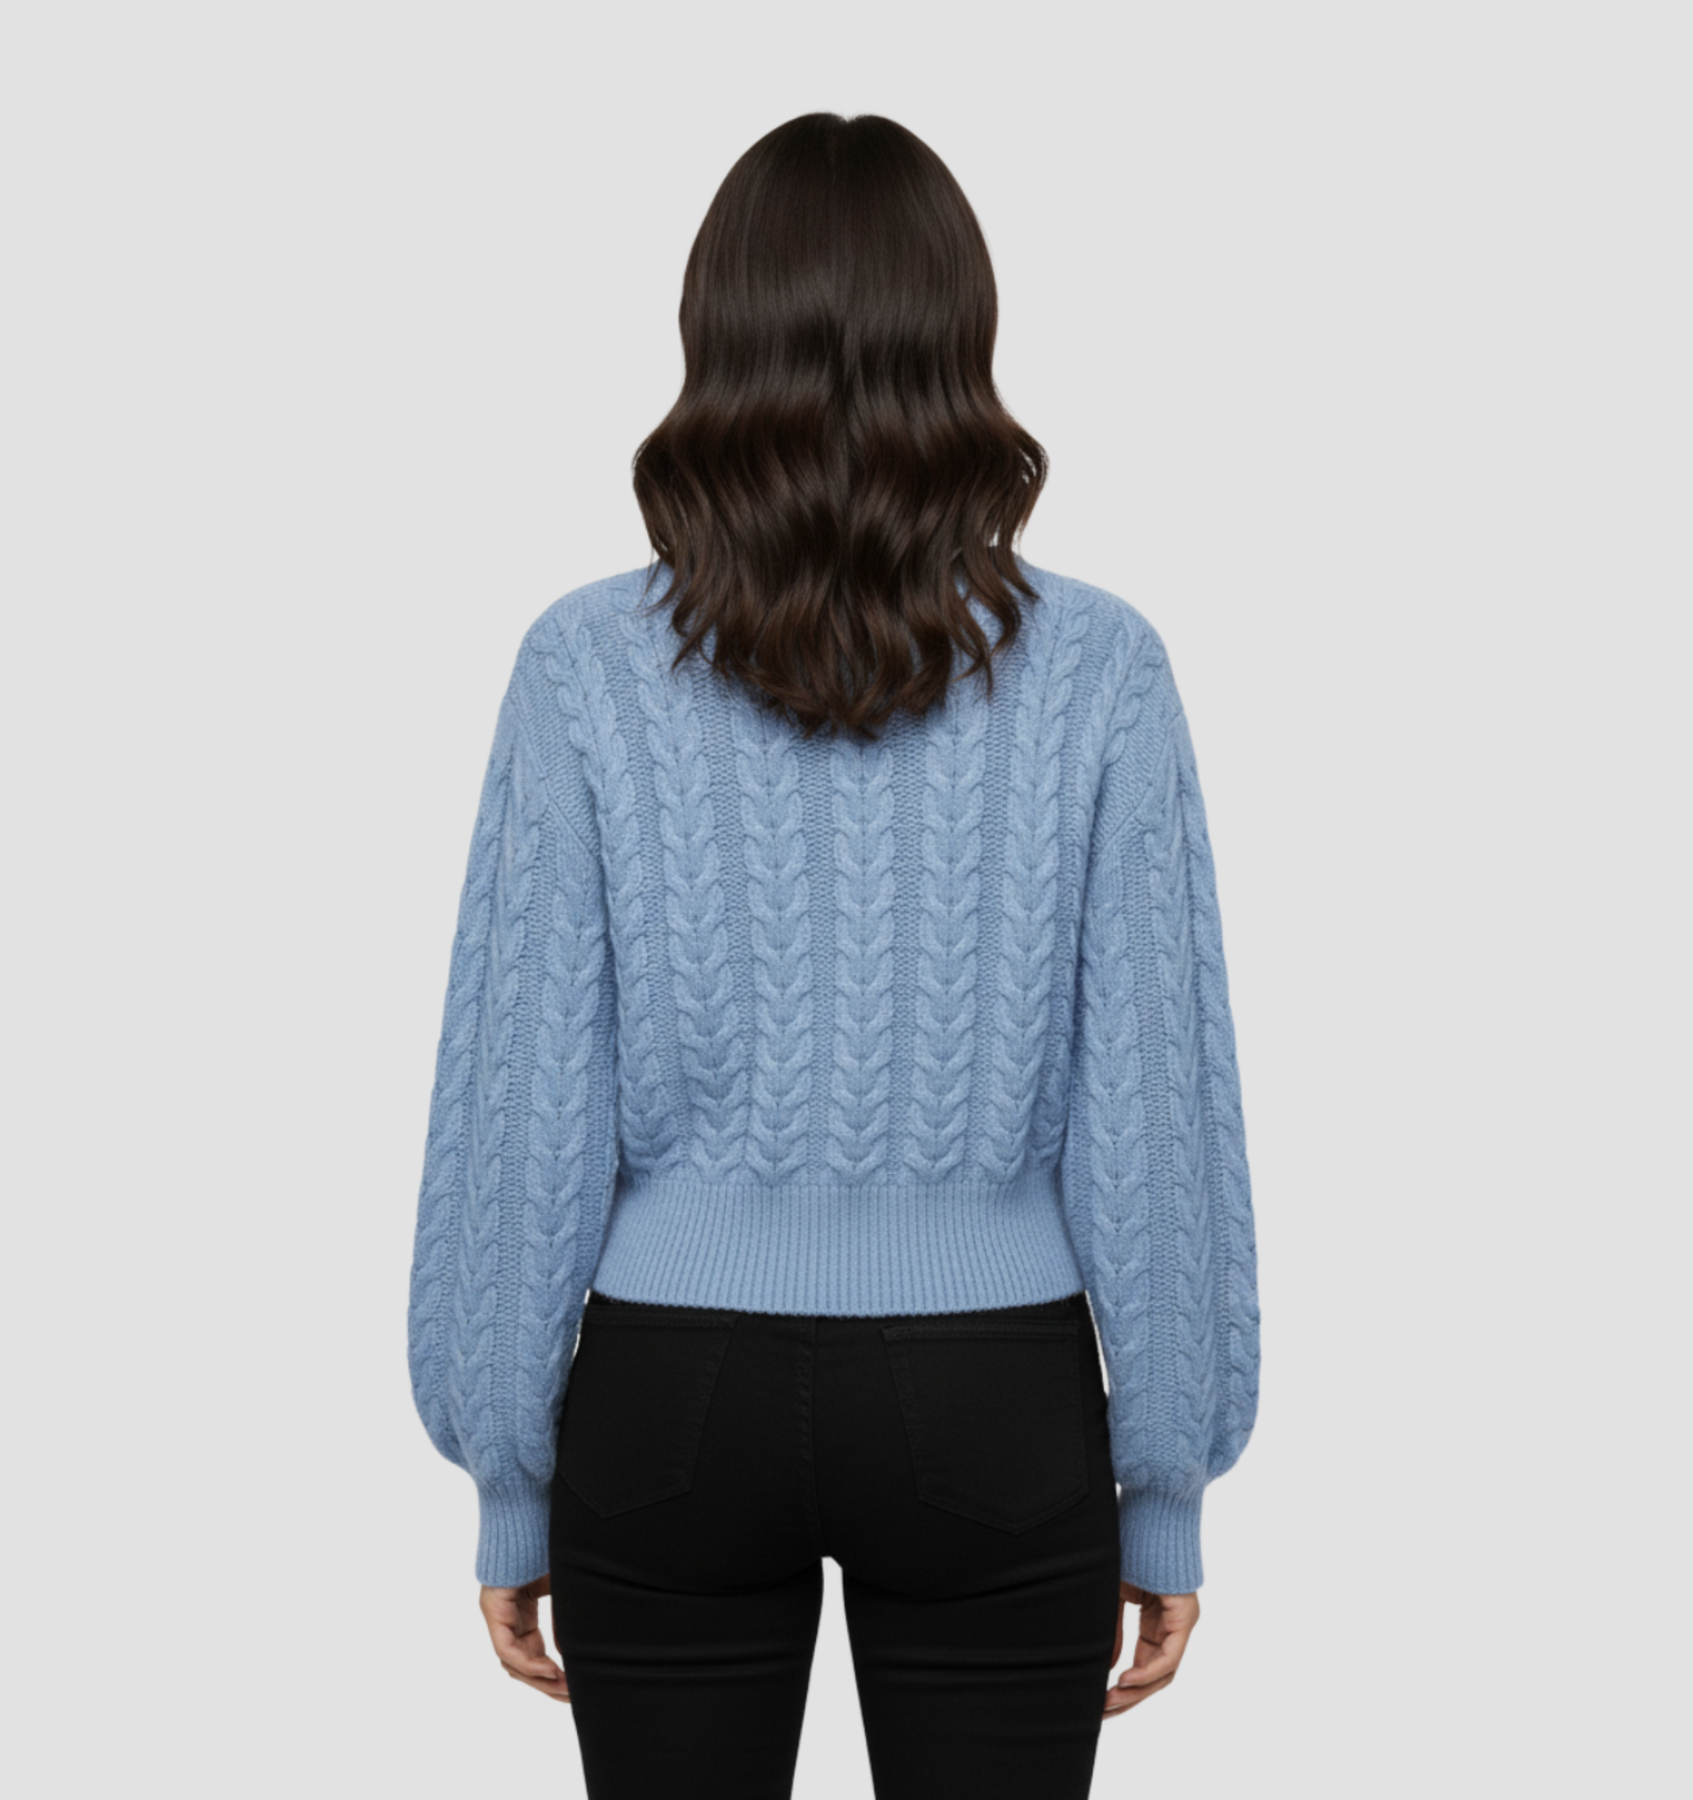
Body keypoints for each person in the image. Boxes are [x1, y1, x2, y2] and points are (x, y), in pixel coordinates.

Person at [406, 110, 1261, 1800]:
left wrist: (510, 1472)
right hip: (994, 1401)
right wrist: (1164, 1482)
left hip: (671, 1400)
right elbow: (1152, 1106)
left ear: (713, 337)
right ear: (964, 340)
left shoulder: (583, 666)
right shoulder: (1101, 670)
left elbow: (525, 1097)